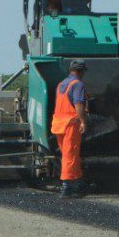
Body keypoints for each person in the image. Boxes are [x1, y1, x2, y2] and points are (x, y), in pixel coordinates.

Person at [50, 59, 88, 198]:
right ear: (80, 71)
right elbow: (78, 103)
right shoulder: (77, 84)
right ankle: (66, 187)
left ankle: (78, 183)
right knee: (70, 155)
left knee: (69, 154)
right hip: (70, 124)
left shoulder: (61, 84)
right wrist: (83, 120)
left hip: (58, 124)